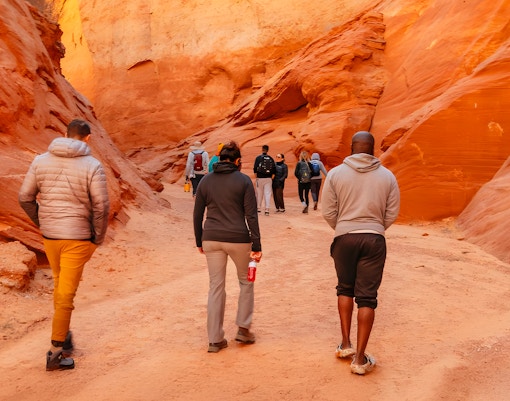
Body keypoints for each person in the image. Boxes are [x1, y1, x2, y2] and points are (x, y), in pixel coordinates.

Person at [18, 119, 110, 371]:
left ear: (65, 134)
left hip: (51, 237)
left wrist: (42, 222)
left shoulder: (40, 160)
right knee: (66, 294)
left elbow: (25, 198)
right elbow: (101, 206)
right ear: (87, 138)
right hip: (78, 239)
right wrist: (97, 238)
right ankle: (57, 350)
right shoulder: (92, 165)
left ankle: (64, 331)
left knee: (61, 286)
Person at [321, 131, 400, 375]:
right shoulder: (387, 176)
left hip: (344, 237)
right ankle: (359, 359)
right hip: (374, 238)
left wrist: (344, 228)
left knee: (345, 287)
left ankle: (345, 344)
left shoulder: (335, 174)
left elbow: (328, 211)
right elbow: (392, 211)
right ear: (373, 149)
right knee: (367, 298)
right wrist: (375, 228)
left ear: (352, 148)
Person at [193, 140, 262, 353]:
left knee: (216, 287)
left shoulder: (205, 181)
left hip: (211, 237)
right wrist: (257, 244)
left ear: (220, 158)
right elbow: (251, 215)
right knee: (245, 282)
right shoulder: (243, 181)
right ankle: (242, 329)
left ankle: (215, 340)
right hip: (238, 238)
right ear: (237, 160)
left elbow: (197, 214)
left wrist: (199, 241)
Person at [253, 144, 276, 215]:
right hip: (268, 178)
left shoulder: (258, 158)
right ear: (268, 150)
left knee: (259, 193)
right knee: (267, 194)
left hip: (260, 178)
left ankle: (258, 209)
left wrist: (257, 177)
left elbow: (255, 168)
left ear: (262, 149)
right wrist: (270, 178)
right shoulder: (271, 158)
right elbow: (274, 170)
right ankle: (267, 210)